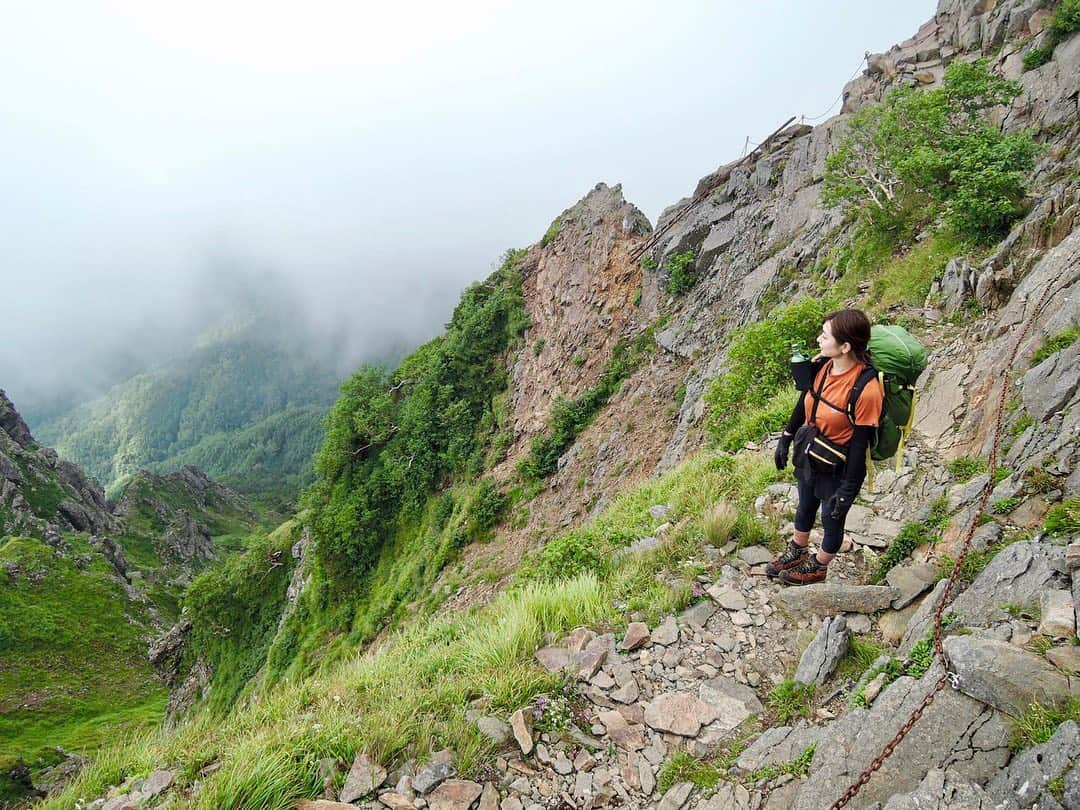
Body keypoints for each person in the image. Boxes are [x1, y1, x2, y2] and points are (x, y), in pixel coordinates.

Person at [767, 309, 884, 585]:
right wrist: (786, 436)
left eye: (825, 335)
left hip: (837, 464)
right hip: (809, 452)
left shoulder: (866, 389)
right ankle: (797, 551)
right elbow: (808, 400)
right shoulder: (822, 366)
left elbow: (860, 444)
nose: (819, 339)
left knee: (832, 519)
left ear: (845, 346)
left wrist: (848, 490)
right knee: (805, 504)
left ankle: (819, 566)